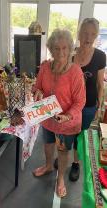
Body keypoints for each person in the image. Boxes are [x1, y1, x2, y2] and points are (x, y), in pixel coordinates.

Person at [32, 28, 86, 197]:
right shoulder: (45, 67)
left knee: (63, 150)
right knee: (48, 144)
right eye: (56, 48)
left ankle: (60, 177)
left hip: (67, 122)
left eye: (64, 48)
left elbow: (80, 101)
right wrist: (37, 92)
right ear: (51, 49)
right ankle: (48, 166)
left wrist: (67, 116)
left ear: (70, 49)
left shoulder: (76, 72)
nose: (61, 52)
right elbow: (37, 87)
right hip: (47, 117)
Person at [68, 17, 106, 181]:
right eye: (85, 33)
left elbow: (100, 84)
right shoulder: (70, 54)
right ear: (79, 33)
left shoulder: (100, 56)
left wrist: (99, 106)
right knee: (66, 132)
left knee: (79, 134)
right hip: (68, 104)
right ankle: (64, 156)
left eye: (92, 34)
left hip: (88, 106)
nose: (88, 38)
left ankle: (75, 163)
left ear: (96, 35)